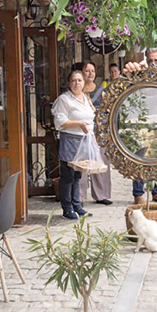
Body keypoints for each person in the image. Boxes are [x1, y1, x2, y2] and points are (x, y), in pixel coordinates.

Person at [51, 70, 96, 219]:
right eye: (73, 80)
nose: (77, 83)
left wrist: (93, 137)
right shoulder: (64, 100)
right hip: (70, 140)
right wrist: (79, 123)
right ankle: (67, 209)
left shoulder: (85, 98)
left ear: (84, 83)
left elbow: (90, 120)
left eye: (79, 80)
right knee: (67, 176)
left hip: (84, 140)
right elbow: (60, 122)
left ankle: (77, 205)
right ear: (69, 83)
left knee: (77, 175)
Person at [128, 48, 157, 205]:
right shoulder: (140, 77)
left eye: (156, 60)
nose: (153, 63)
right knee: (140, 156)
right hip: (142, 121)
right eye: (150, 60)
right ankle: (138, 194)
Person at [78, 61, 113, 206]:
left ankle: (101, 195)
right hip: (81, 132)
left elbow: (108, 110)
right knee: (80, 163)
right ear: (81, 73)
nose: (90, 73)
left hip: (99, 132)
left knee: (101, 161)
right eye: (87, 71)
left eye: (92, 71)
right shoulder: (77, 91)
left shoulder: (101, 91)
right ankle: (79, 196)